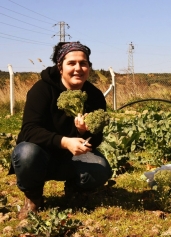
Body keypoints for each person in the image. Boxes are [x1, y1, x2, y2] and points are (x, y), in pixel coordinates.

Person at [9, 41, 112, 219]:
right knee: (25, 153)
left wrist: (83, 133)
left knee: (101, 169)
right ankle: (33, 197)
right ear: (60, 67)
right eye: (71, 63)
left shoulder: (94, 95)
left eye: (83, 63)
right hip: (41, 155)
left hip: (73, 158)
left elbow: (96, 139)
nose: (78, 68)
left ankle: (75, 189)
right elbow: (29, 130)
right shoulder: (42, 90)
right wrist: (64, 141)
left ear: (89, 67)